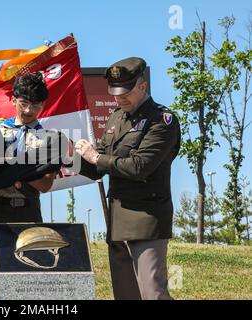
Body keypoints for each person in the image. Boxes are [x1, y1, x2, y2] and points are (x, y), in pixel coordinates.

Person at [74, 57, 181, 300]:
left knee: (152, 293)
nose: (119, 97)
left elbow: (139, 167)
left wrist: (95, 157)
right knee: (126, 295)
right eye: (115, 92)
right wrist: (71, 155)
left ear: (143, 86)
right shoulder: (116, 118)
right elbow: (98, 166)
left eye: (126, 92)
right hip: (117, 220)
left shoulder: (162, 121)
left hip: (146, 220)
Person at [0, 72, 55, 300]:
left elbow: (46, 184)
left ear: (43, 105)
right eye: (24, 103)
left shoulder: (49, 138)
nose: (28, 111)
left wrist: (17, 173)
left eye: (35, 105)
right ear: (13, 100)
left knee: (28, 269)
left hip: (28, 209)